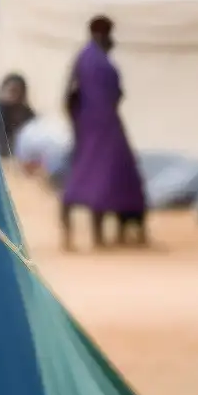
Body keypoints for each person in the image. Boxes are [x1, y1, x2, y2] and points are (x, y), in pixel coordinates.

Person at [62, 16, 147, 250]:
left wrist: (76, 122)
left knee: (95, 175)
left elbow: (69, 95)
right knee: (104, 177)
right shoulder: (95, 59)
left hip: (92, 123)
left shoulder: (87, 58)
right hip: (101, 124)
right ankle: (99, 237)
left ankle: (85, 236)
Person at [0, 73, 35, 158]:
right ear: (2, 89)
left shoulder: (26, 115)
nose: (11, 95)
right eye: (10, 90)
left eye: (16, 92)